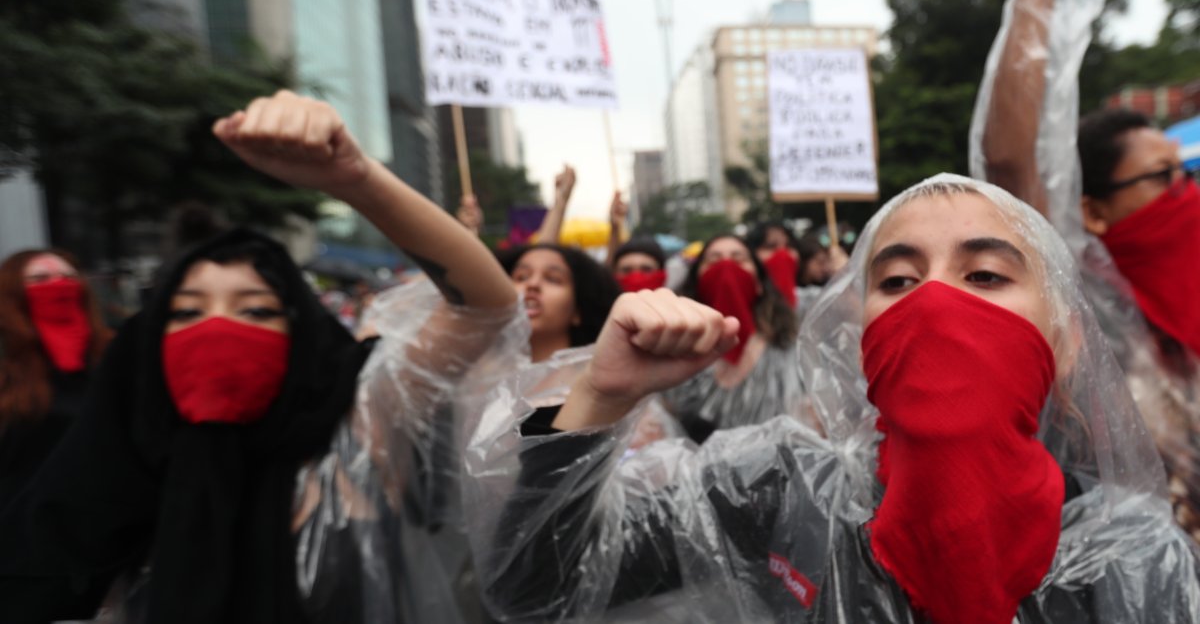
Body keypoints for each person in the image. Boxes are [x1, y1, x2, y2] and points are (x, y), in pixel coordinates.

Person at [463, 174, 1200, 623]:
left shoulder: (1130, 554)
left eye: (984, 277)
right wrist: (598, 394)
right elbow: (536, 585)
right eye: (899, 281)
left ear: (1065, 338)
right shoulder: (776, 486)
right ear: (859, 332)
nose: (937, 306)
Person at [0, 90, 522, 624]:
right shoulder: (118, 480)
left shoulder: (357, 430)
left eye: (254, 311)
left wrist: (354, 179)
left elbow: (486, 305)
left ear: (302, 335)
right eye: (186, 313)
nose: (218, 328)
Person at [971, 0, 1200, 540]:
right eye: (1161, 177)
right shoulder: (1085, 309)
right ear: (1092, 212)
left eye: (1188, 174)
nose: (1186, 193)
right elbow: (1010, 163)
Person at [662, 234, 807, 443]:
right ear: (697, 280)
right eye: (714, 260)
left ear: (759, 282)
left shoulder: (793, 348)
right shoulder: (673, 349)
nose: (727, 266)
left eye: (739, 259)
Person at [0, 250, 113, 503]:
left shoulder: (111, 354)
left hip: (104, 513)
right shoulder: (6, 364)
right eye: (40, 279)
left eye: (69, 277)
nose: (59, 286)